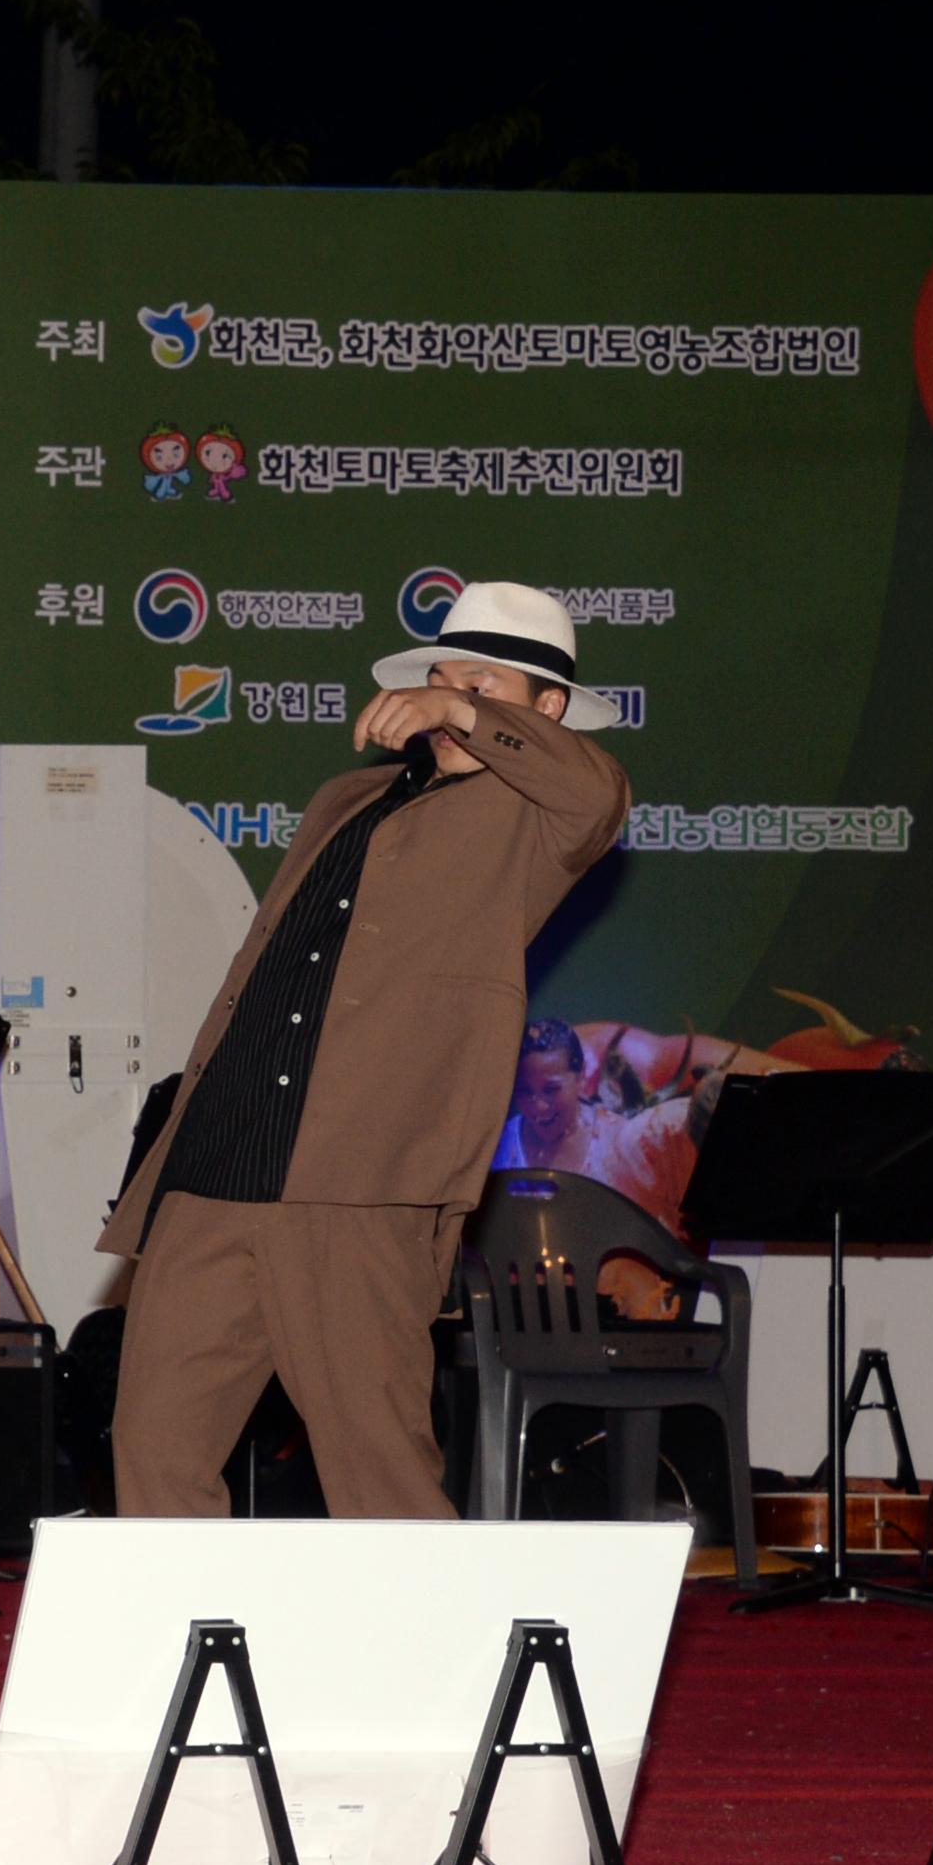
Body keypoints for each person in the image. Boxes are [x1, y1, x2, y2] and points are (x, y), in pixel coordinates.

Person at [101, 582, 631, 1517]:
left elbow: (596, 787)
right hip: (222, 1157)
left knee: (374, 1458)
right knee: (153, 1444)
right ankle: (191, 1656)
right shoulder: (348, 799)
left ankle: (436, 1663)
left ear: (546, 710)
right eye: (440, 673)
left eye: (483, 680)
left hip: (362, 1174)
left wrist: (462, 709)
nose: (447, 694)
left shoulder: (541, 823)